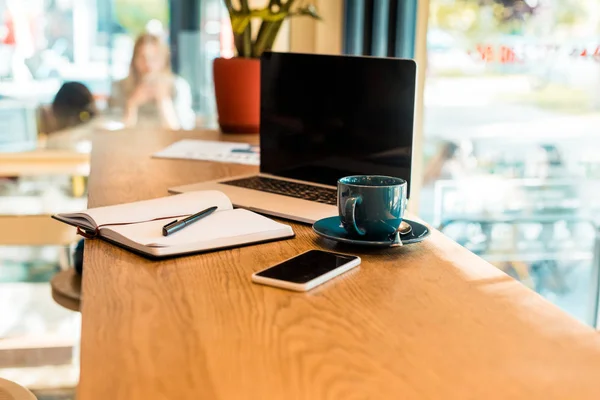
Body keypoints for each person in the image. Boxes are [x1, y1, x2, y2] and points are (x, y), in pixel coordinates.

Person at [109, 33, 195, 130]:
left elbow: (181, 133)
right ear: (134, 60)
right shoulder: (120, 86)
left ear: (164, 60)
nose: (148, 64)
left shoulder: (178, 86)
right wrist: (132, 104)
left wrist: (163, 100)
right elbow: (115, 134)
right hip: (130, 144)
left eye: (154, 58)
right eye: (142, 57)